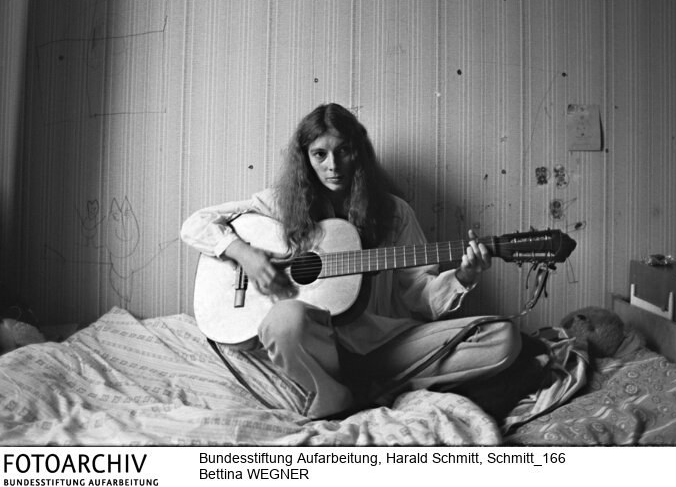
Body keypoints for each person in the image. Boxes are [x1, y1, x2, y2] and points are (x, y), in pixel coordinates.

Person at [180, 103, 521, 419]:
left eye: (343, 151)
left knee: (502, 337)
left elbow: (419, 297)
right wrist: (245, 254)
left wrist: (462, 275)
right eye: (320, 154)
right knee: (283, 319)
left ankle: (370, 386)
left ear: (358, 151)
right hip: (317, 352)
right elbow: (195, 224)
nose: (333, 165)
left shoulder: (394, 213)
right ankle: (336, 391)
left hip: (383, 347)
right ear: (305, 159)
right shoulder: (280, 205)